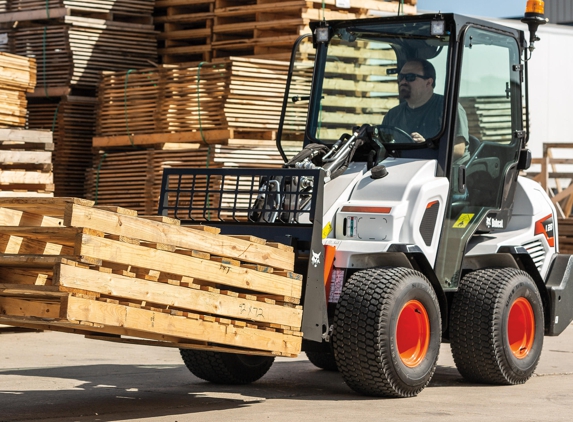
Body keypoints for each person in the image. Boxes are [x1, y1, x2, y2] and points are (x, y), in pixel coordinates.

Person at [382, 59, 470, 164]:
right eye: (401, 77)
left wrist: (427, 148)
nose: (403, 82)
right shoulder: (392, 115)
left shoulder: (448, 109)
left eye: (410, 77)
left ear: (428, 82)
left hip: (444, 172)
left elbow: (458, 149)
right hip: (405, 170)